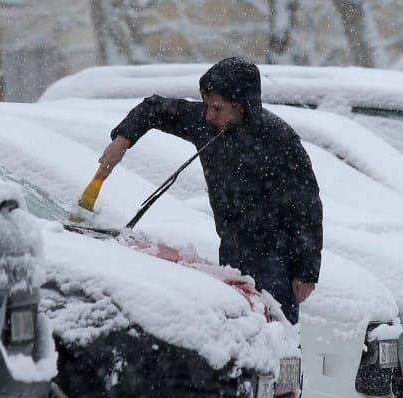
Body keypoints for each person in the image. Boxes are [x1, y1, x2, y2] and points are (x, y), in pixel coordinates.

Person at [98, 57, 323, 330]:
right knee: (240, 336)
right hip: (231, 252)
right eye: (207, 106)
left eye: (217, 108)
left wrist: (306, 272)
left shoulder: (279, 141)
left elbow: (308, 209)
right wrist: (123, 140)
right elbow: (153, 108)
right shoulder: (207, 123)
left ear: (241, 107)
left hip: (278, 261)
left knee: (276, 341)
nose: (208, 115)